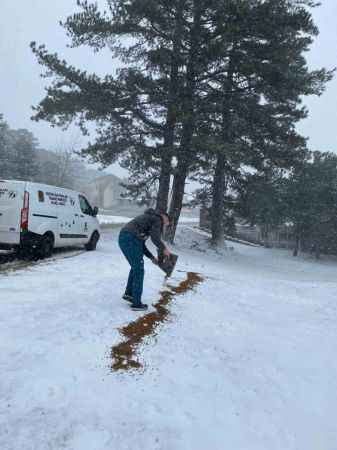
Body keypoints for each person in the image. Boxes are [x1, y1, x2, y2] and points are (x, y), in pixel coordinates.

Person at [118, 208, 171, 311]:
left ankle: (129, 294)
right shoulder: (158, 219)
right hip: (129, 239)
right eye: (167, 223)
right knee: (139, 269)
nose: (165, 226)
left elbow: (141, 244)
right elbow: (155, 238)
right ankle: (136, 303)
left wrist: (151, 257)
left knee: (135, 267)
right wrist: (164, 249)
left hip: (125, 238)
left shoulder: (148, 220)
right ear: (165, 218)